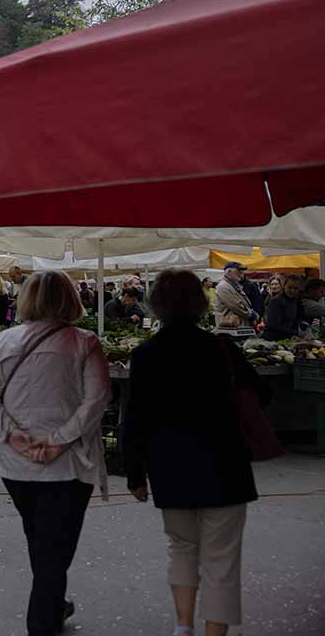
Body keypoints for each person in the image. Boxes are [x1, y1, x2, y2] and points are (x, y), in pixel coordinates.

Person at [123, 269, 271, 636]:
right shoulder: (222, 347)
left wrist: (135, 475)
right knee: (221, 559)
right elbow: (262, 395)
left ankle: (183, 625)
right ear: (199, 303)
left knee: (182, 548)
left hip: (171, 467)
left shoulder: (145, 355)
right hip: (226, 464)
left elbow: (134, 421)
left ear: (156, 306)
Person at [0, 271, 110, 636]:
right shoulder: (85, 342)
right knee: (54, 545)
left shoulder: (0, 342)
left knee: (42, 537)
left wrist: (14, 436)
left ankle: (53, 602)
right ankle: (42, 622)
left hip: (14, 464)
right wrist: (60, 440)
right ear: (70, 298)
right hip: (67, 464)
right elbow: (97, 399)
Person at [214, 262, 258, 328]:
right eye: (238, 271)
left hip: (236, 326)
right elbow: (236, 306)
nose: (241, 273)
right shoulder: (224, 286)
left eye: (242, 271)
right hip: (229, 327)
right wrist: (251, 314)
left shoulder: (233, 285)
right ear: (229, 271)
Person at [263, 273, 305, 341]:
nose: (292, 291)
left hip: (287, 339)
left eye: (296, 288)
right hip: (273, 339)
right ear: (284, 286)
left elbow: (297, 320)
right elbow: (274, 325)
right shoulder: (276, 301)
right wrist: (296, 333)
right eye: (290, 287)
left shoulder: (296, 301)